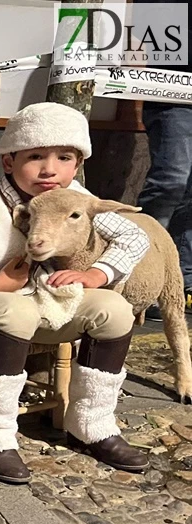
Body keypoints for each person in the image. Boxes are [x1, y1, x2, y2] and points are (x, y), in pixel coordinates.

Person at [0, 102, 150, 484]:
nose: (50, 169)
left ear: (77, 165)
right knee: (16, 311)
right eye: (36, 156)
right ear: (10, 161)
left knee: (114, 308)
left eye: (64, 157)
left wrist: (97, 273)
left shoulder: (73, 196)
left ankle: (92, 424)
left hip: (47, 301)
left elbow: (133, 236)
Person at [134, 0, 192, 320]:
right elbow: (157, 37)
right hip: (174, 93)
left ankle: (182, 282)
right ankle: (146, 275)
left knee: (190, 190)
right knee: (172, 179)